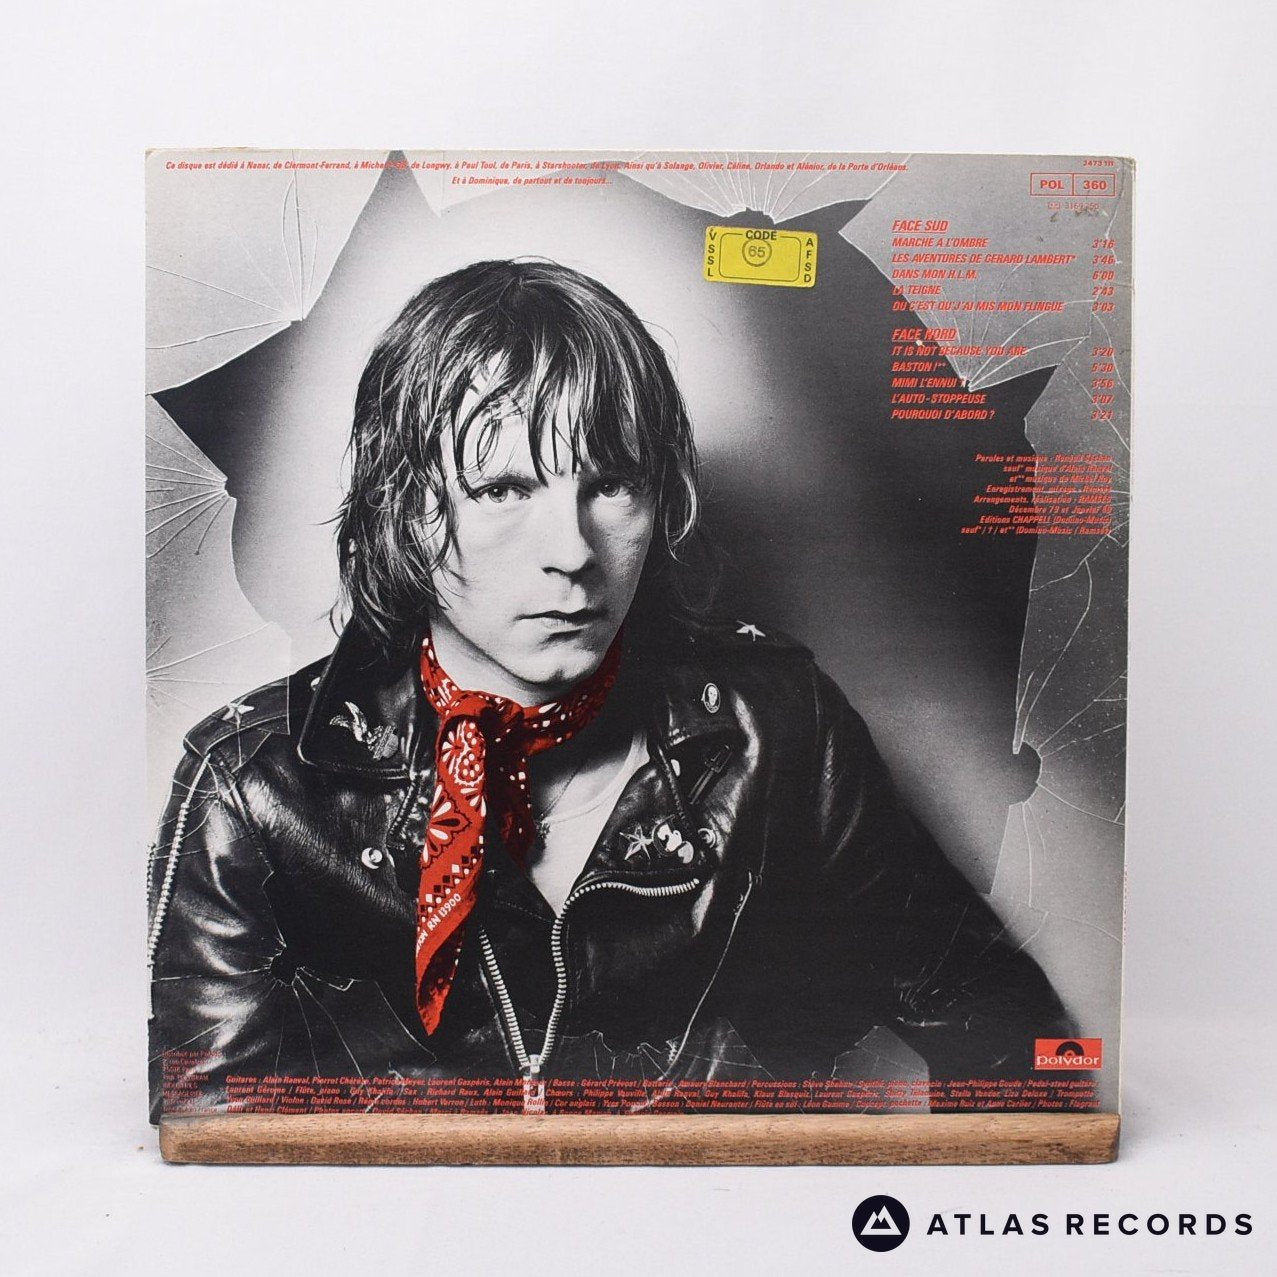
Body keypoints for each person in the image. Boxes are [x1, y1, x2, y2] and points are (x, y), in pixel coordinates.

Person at [147, 259, 1071, 1122]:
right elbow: (213, 1143)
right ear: (408, 507)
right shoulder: (258, 789)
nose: (572, 552)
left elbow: (1020, 1042)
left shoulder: (774, 728)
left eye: (613, 484)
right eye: (504, 489)